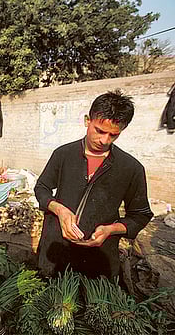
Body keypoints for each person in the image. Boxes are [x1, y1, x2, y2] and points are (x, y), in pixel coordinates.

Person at [34, 91, 153, 279]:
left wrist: (110, 230)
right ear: (87, 120)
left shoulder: (131, 168)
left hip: (99, 260)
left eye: (113, 135)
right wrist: (59, 209)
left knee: (91, 304)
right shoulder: (63, 154)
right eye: (99, 130)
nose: (104, 140)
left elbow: (140, 215)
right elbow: (41, 188)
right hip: (55, 251)